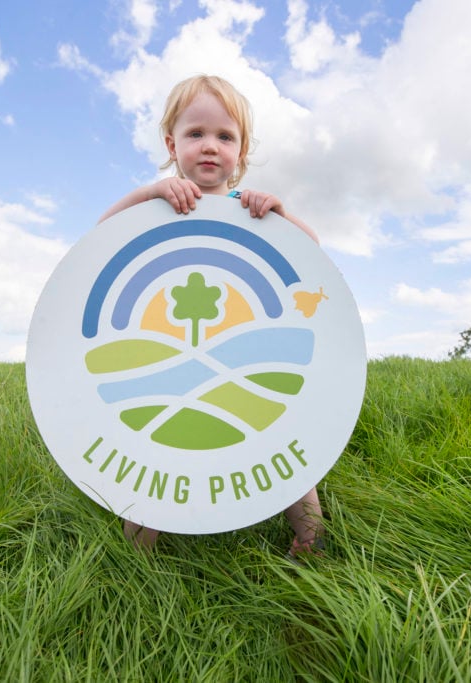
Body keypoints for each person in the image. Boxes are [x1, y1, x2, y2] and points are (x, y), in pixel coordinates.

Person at [98, 74, 325, 559]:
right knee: (153, 460)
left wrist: (280, 212)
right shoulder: (160, 207)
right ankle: (134, 564)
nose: (210, 146)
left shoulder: (248, 209)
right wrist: (149, 194)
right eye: (195, 133)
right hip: (170, 355)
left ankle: (310, 542)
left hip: (243, 357)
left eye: (225, 136)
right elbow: (102, 235)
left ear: (240, 152)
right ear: (171, 144)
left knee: (283, 454)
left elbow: (311, 250)